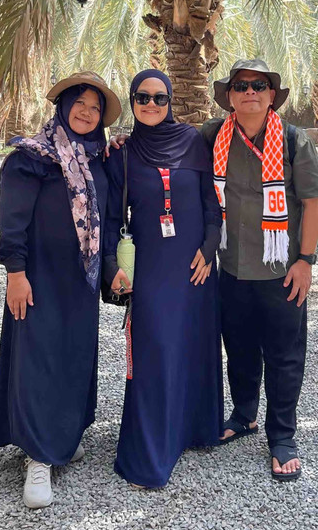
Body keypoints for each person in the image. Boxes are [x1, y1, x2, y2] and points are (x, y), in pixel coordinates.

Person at [0, 71, 122, 509]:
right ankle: (39, 457)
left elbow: (109, 218)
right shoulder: (32, 158)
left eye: (95, 107)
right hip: (38, 281)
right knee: (39, 360)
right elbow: (13, 221)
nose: (87, 112)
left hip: (79, 283)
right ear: (62, 107)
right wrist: (15, 273)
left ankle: (62, 437)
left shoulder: (99, 158)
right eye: (79, 103)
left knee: (73, 358)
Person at [200, 59, 318, 482]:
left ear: (271, 95)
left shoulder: (293, 140)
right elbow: (167, 146)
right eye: (241, 86)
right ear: (229, 96)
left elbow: (312, 203)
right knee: (238, 349)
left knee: (284, 356)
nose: (250, 92)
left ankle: (283, 436)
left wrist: (306, 261)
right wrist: (122, 144)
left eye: (258, 85)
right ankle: (244, 415)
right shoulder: (213, 135)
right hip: (232, 268)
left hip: (281, 271)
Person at [104, 69, 223, 488]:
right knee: (154, 350)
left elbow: (211, 204)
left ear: (170, 101)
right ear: (132, 101)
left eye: (159, 98)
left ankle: (192, 429)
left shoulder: (193, 141)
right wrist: (112, 266)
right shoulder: (122, 153)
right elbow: (112, 217)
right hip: (153, 267)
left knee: (192, 344)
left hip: (195, 266)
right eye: (142, 97)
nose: (151, 104)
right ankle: (150, 453)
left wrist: (210, 248)